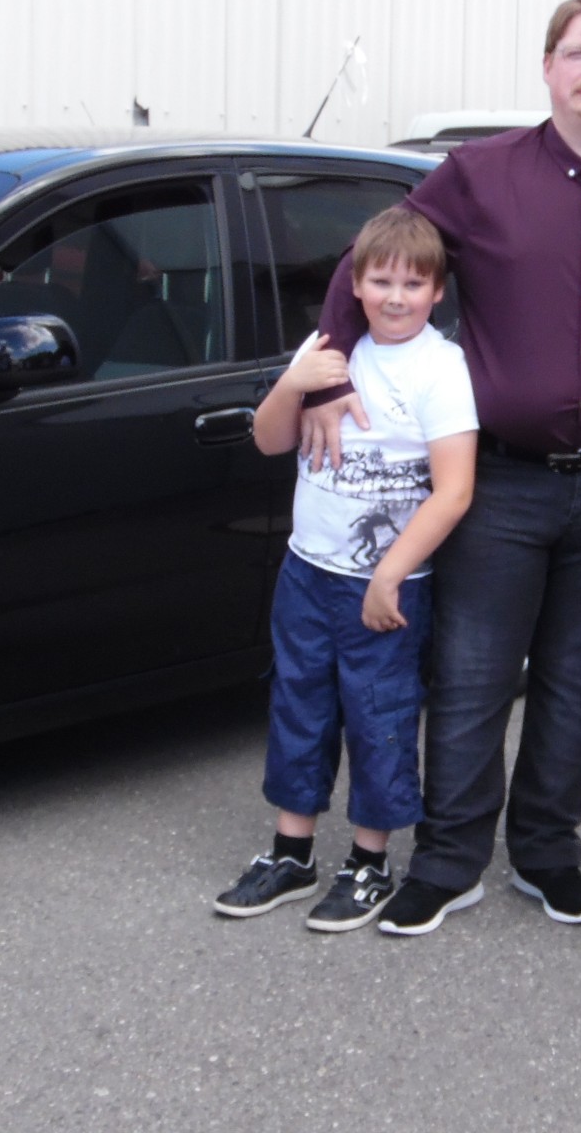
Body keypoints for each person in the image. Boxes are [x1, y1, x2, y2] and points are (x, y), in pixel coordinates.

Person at [303, 0, 581, 937]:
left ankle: (546, 852)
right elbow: (368, 257)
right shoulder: (479, 175)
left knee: (577, 672)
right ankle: (449, 861)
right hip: (500, 480)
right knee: (473, 671)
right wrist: (328, 372)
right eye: (578, 52)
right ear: (548, 68)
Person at [214, 207, 478, 933]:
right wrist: (293, 383)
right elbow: (270, 441)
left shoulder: (440, 369)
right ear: (354, 284)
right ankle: (291, 853)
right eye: (381, 281)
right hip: (308, 571)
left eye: (413, 284)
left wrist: (390, 574)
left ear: (437, 291)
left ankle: (369, 862)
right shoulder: (329, 349)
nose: (396, 297)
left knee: (379, 716)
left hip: (387, 586)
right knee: (298, 704)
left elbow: (454, 490)